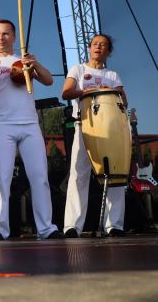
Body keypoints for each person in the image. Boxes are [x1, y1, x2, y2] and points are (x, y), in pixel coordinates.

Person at [0, 19, 62, 240]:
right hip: (3, 126)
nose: (2, 37)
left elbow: (49, 81)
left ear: (14, 37)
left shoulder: (23, 61)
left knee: (39, 176)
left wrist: (34, 64)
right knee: (1, 178)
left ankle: (46, 228)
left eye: (6, 33)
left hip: (30, 125)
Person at [62, 34, 128, 237]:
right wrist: (86, 92)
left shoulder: (113, 75)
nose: (99, 47)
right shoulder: (78, 69)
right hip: (84, 126)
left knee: (114, 174)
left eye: (103, 45)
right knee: (78, 175)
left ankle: (114, 225)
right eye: (95, 44)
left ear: (109, 51)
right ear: (90, 48)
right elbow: (66, 92)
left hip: (111, 131)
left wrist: (110, 91)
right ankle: (72, 226)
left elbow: (123, 101)